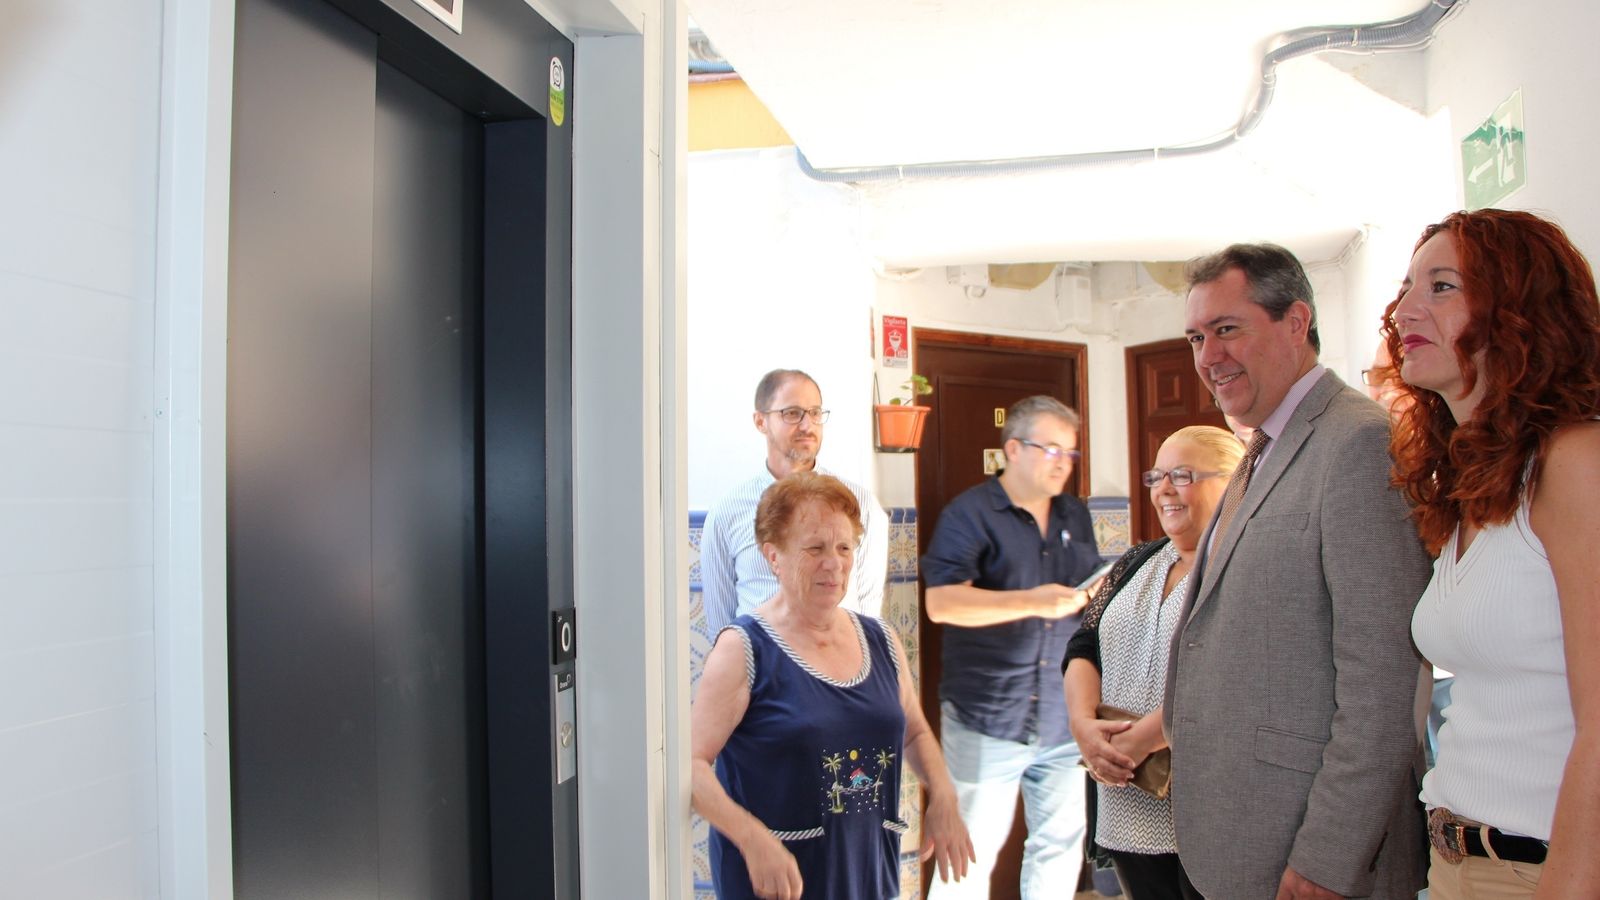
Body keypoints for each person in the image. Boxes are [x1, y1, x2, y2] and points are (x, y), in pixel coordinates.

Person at [1165, 243, 1433, 899]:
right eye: (1197, 337)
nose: (1208, 357)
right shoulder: (1264, 448)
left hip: (1310, 857)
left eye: (1227, 329)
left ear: (1295, 322)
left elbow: (1383, 687)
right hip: (1240, 838)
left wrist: (1326, 860)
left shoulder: (1357, 442)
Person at [1385, 209, 1600, 899]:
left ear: (1519, 310)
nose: (1405, 309)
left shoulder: (1574, 461)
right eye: (1408, 286)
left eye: (1442, 286)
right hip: (1455, 862)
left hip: (1541, 871)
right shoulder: (1471, 484)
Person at [692, 473, 975, 899]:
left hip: (867, 874)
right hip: (780, 883)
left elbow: (914, 730)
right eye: (815, 548)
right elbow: (689, 764)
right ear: (774, 556)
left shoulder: (881, 640)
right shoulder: (743, 649)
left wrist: (944, 795)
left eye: (845, 547)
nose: (835, 562)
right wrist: (751, 838)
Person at [921, 395, 1103, 899]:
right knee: (969, 855)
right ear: (1013, 450)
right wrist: (1032, 602)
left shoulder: (1075, 515)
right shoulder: (970, 514)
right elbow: (942, 604)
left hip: (1064, 719)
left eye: (1070, 452)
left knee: (1060, 848)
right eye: (1051, 449)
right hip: (988, 718)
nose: (1063, 462)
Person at [1063, 426, 1243, 900]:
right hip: (1127, 798)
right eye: (1156, 476)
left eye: (1181, 475)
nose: (1163, 489)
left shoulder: (1242, 567)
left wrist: (1143, 739)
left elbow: (1235, 677)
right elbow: (1084, 645)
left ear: (1235, 481)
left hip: (1209, 806)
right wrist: (1082, 725)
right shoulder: (1137, 561)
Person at [702, 369, 888, 633]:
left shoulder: (861, 505)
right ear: (760, 421)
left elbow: (869, 615)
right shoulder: (727, 512)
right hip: (761, 670)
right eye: (792, 413)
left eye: (814, 413)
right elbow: (721, 628)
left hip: (839, 665)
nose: (807, 425)